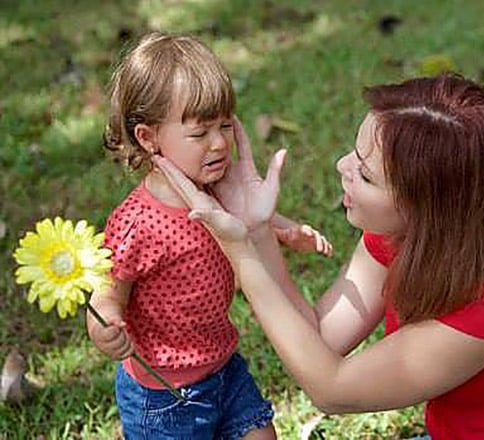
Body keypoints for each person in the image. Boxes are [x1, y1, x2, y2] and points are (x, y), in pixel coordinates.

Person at [154, 73, 484, 439]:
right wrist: (256, 231)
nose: (342, 169)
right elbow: (320, 339)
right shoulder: (408, 232)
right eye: (354, 156)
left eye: (364, 174)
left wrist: (243, 254)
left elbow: (333, 389)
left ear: (428, 206)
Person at [86, 31, 331, 440]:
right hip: (164, 394)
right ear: (148, 138)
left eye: (224, 126)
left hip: (223, 365)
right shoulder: (138, 222)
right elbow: (109, 291)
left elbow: (248, 218)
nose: (219, 144)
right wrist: (105, 323)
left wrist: (288, 231)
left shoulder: (216, 187)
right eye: (199, 134)